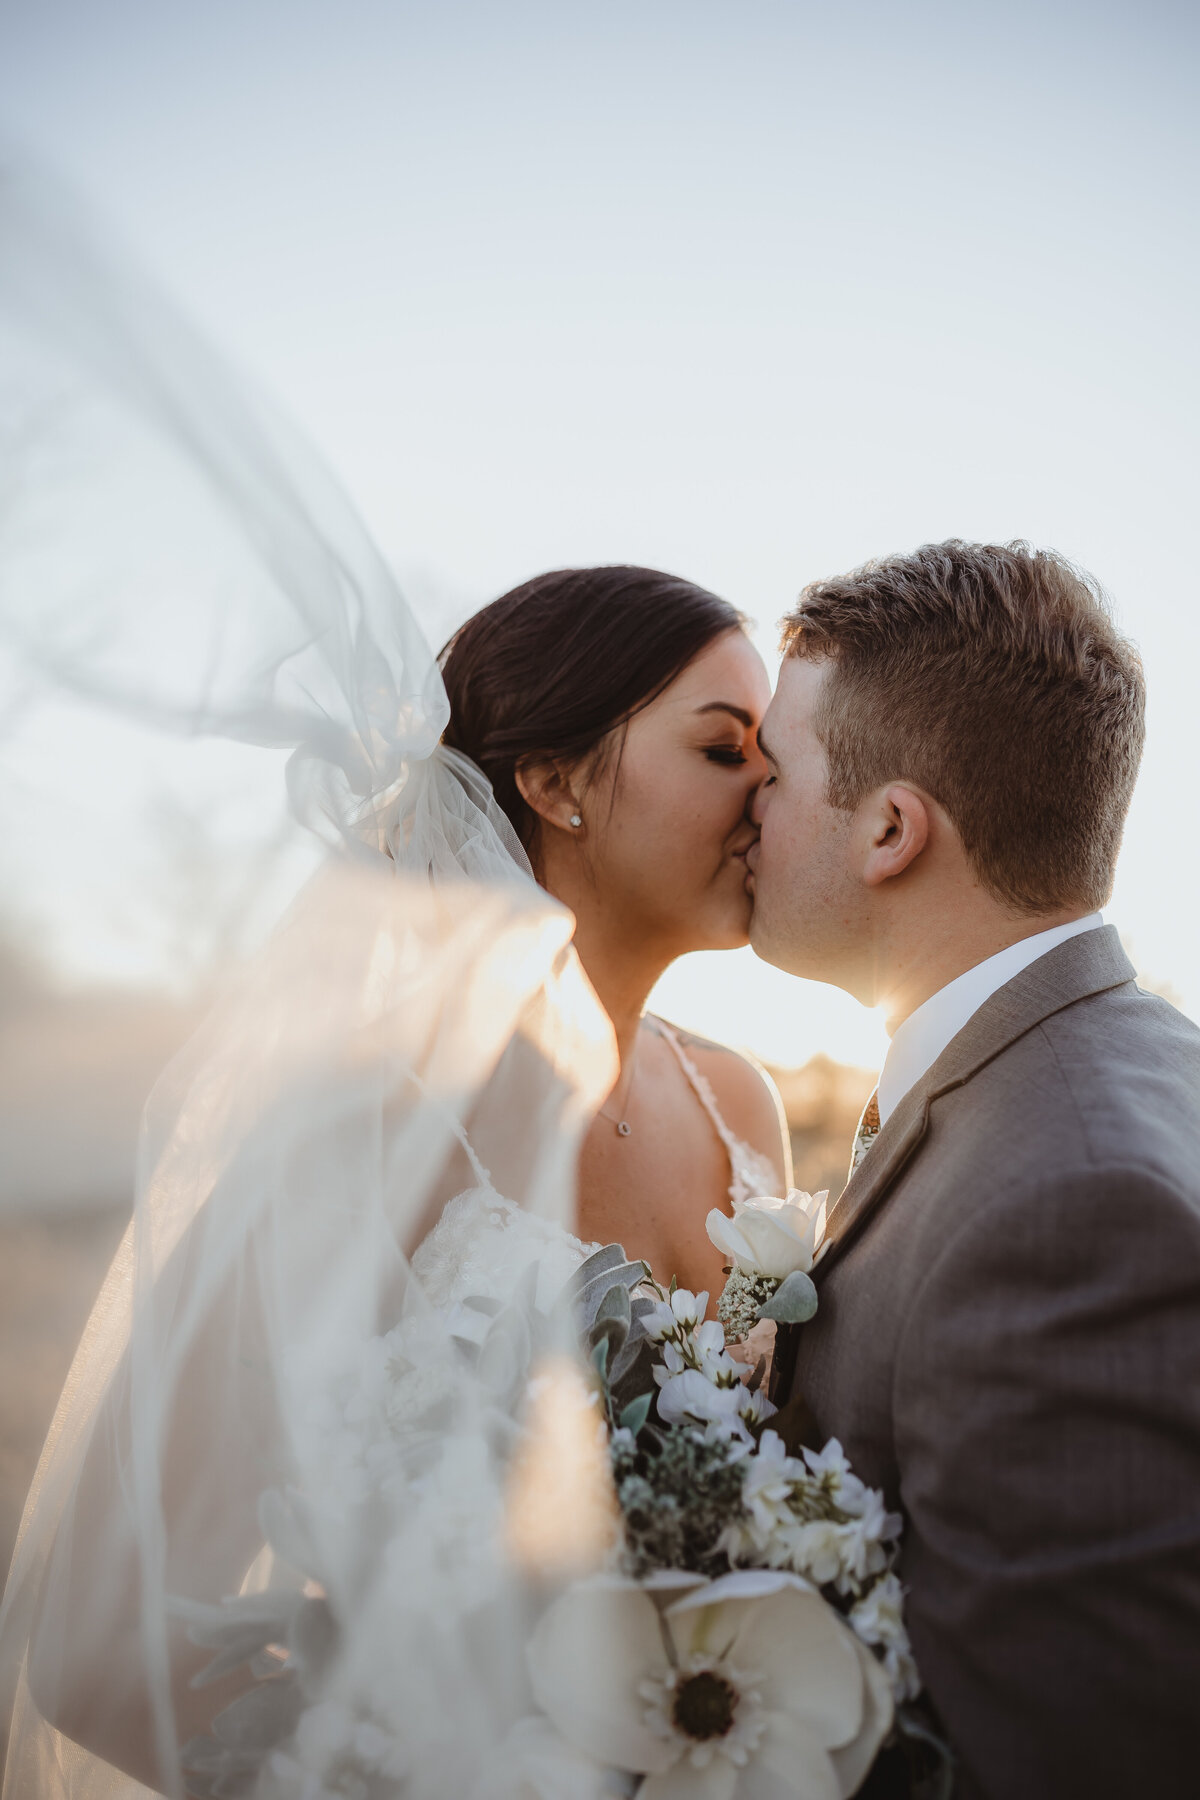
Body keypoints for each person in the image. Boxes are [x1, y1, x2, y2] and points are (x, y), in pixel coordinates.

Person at [748, 539, 1200, 1798]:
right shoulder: (1127, 1062)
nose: (748, 810)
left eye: (773, 773)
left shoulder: (1072, 1204)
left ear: (892, 829)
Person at [441, 565, 790, 1297]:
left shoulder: (740, 1105)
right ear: (557, 785)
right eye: (726, 751)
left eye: (778, 760)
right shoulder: (394, 1116)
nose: (770, 798)